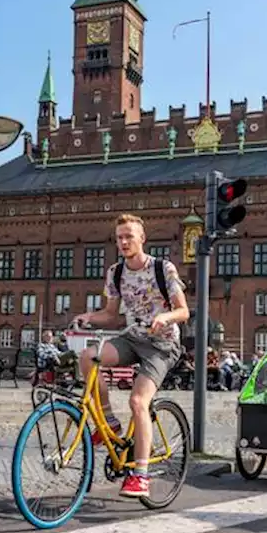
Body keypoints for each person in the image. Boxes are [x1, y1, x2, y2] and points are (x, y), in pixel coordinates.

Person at [72, 213, 189, 499]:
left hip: (162, 345)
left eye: (129, 237)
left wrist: (165, 316)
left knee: (138, 401)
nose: (123, 242)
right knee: (88, 357)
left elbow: (184, 312)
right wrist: (89, 316)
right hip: (133, 337)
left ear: (142, 239)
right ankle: (109, 422)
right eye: (119, 238)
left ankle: (141, 475)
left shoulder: (163, 268)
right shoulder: (116, 272)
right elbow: (111, 315)